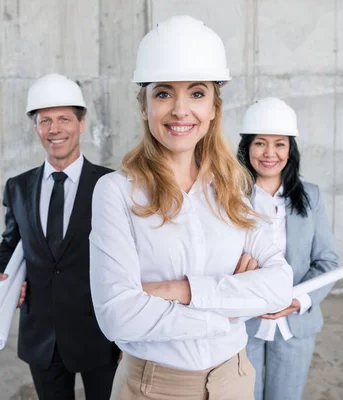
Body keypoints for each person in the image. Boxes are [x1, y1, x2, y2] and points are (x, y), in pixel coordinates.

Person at [89, 16, 293, 400]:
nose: (181, 110)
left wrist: (175, 290)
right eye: (164, 93)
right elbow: (118, 315)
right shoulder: (115, 192)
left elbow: (280, 287)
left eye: (197, 93)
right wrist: (233, 307)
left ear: (214, 107)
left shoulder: (233, 188)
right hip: (151, 386)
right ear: (144, 105)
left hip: (233, 379)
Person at [0, 73, 118, 400]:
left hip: (99, 331)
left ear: (81, 124)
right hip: (41, 335)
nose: (54, 129)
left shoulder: (111, 185)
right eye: (44, 120)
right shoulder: (17, 187)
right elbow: (10, 242)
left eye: (64, 119)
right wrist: (0, 275)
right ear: (36, 129)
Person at [237, 97, 340, 400]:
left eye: (279, 144)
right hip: (242, 324)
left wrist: (297, 301)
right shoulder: (228, 195)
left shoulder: (311, 196)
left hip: (295, 324)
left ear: (290, 150)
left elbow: (327, 261)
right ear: (247, 148)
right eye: (260, 143)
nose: (270, 153)